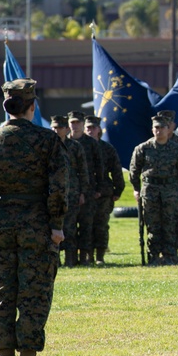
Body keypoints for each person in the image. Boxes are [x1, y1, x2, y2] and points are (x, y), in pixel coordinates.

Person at [0, 78, 67, 356]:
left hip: (1, 224)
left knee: (4, 292)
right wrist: (57, 225)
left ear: (6, 105)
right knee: (34, 293)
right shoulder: (47, 140)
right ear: (32, 106)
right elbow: (59, 187)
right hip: (37, 223)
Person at [130, 115, 178, 265]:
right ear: (152, 129)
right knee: (152, 224)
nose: (159, 130)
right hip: (150, 191)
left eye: (162, 127)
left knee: (170, 223)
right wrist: (137, 189)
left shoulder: (177, 150)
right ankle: (154, 256)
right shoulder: (143, 149)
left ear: (168, 129)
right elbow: (134, 171)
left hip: (171, 191)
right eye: (156, 127)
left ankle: (170, 255)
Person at [85, 115, 125, 266]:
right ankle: (87, 255)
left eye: (93, 128)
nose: (90, 130)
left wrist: (117, 190)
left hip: (104, 193)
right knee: (86, 226)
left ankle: (100, 255)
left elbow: (116, 171)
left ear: (99, 130)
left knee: (101, 225)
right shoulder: (80, 146)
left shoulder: (107, 148)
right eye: (87, 127)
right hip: (86, 192)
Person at [51, 116, 88, 268]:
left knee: (70, 227)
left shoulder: (75, 146)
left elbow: (83, 170)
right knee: (53, 227)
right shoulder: (48, 145)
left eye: (59, 127)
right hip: (52, 193)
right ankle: (55, 260)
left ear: (66, 129)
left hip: (71, 192)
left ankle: (70, 260)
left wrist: (82, 192)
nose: (56, 130)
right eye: (54, 127)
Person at [156, 110, 178, 261]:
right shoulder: (151, 145)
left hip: (176, 191)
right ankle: (158, 254)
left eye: (168, 123)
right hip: (156, 192)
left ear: (172, 125)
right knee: (157, 223)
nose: (165, 126)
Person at [68, 111, 103, 266]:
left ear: (83, 124)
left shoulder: (91, 143)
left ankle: (85, 257)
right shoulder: (62, 142)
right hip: (68, 191)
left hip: (87, 191)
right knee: (69, 226)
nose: (75, 126)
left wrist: (98, 189)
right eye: (72, 123)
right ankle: (70, 257)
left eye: (77, 123)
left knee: (86, 225)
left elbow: (99, 168)